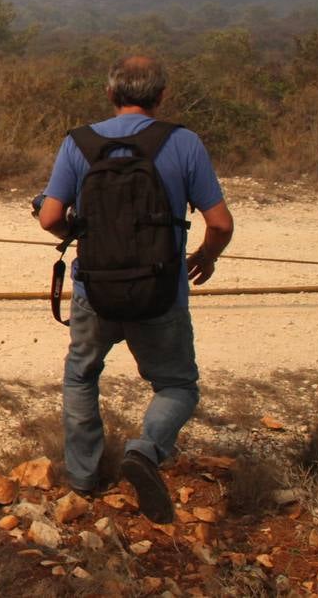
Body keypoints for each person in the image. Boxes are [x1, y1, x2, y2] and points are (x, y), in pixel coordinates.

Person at [36, 55, 234, 523]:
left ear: (110, 93)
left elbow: (49, 217)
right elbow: (220, 223)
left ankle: (82, 480)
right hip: (160, 290)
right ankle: (145, 449)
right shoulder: (183, 143)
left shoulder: (79, 143)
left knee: (82, 375)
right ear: (161, 96)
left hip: (95, 288)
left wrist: (82, 230)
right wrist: (205, 256)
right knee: (177, 384)